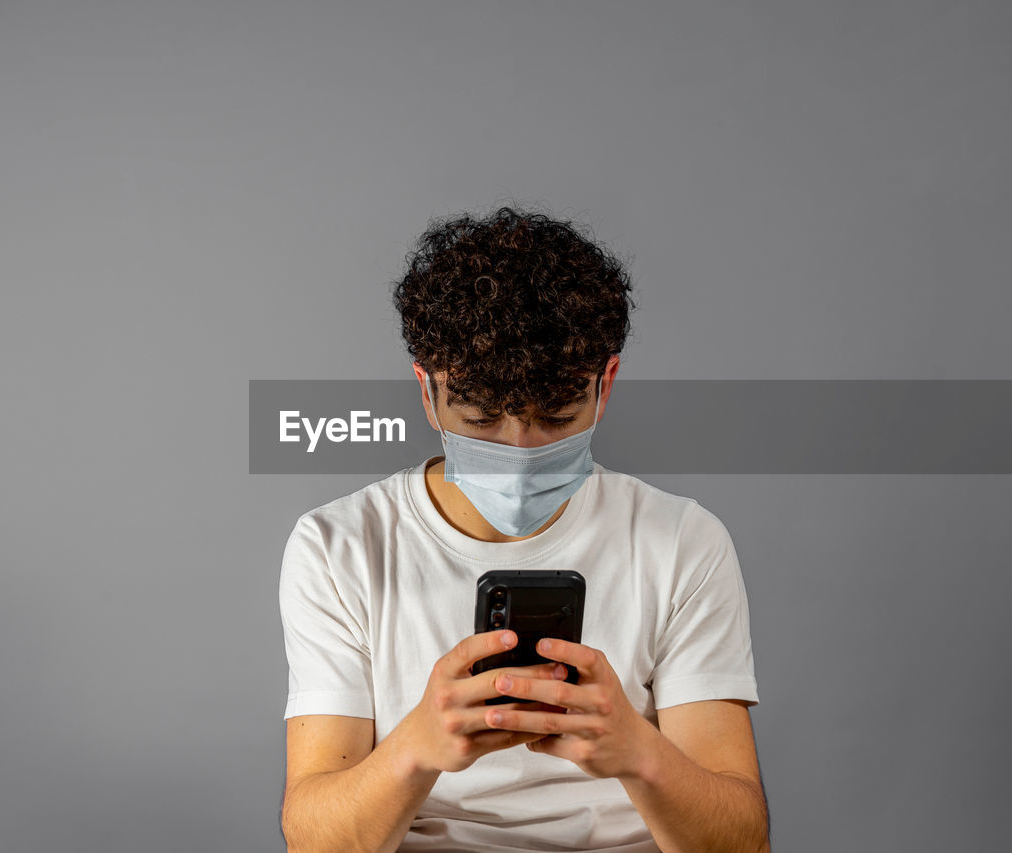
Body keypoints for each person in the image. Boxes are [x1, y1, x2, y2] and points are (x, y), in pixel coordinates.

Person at [278, 206, 769, 852]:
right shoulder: (339, 548)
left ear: (606, 384)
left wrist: (637, 750)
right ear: (427, 391)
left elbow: (742, 840)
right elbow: (313, 840)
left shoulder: (682, 542)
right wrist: (417, 747)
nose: (520, 449)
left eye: (558, 416)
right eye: (482, 420)